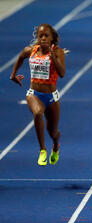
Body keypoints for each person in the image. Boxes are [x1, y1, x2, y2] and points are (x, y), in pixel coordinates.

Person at [10, 24, 66, 166]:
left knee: (52, 132)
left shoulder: (58, 52)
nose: (43, 38)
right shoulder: (31, 50)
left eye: (46, 35)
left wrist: (53, 57)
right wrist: (13, 75)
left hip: (51, 97)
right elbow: (21, 57)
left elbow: (62, 74)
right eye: (40, 36)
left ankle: (56, 146)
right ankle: (42, 150)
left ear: (52, 37)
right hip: (34, 94)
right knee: (37, 113)